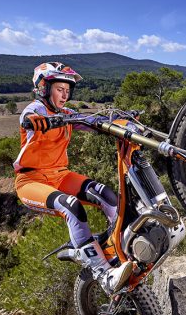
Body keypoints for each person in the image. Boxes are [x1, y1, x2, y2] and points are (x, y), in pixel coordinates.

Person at [14, 61, 133, 294]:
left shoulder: (66, 114)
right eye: (60, 89)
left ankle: (123, 247)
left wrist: (120, 120)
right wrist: (36, 122)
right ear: (43, 88)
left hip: (61, 175)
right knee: (71, 206)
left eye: (68, 90)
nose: (65, 95)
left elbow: (92, 122)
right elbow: (27, 117)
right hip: (31, 181)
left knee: (106, 194)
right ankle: (103, 273)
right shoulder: (36, 109)